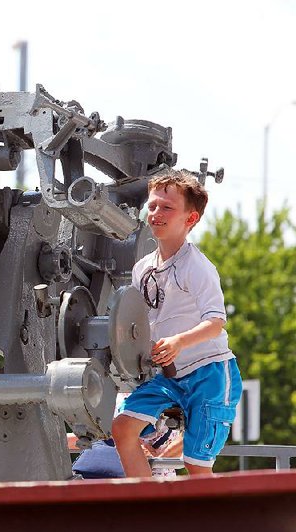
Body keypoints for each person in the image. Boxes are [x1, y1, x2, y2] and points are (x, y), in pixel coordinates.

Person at [112, 170, 241, 478]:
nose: (156, 213)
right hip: (170, 378)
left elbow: (216, 323)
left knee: (196, 464)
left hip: (209, 374)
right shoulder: (143, 268)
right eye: (153, 206)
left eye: (167, 208)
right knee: (123, 429)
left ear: (190, 219)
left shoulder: (197, 266)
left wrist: (179, 342)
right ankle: (149, 512)